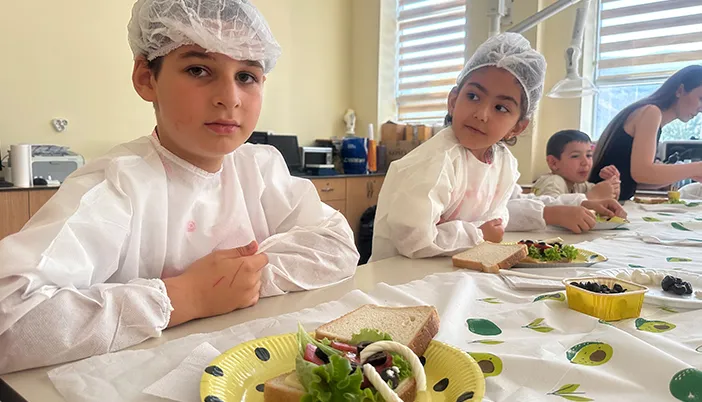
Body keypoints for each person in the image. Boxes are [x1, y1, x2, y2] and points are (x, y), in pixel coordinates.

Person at [0, 0, 359, 374]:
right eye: (198, 69)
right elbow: (10, 316)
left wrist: (243, 281)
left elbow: (337, 244)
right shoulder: (117, 184)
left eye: (246, 76)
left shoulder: (260, 167)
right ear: (146, 78)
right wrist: (184, 297)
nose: (229, 97)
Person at [370, 33, 625, 262]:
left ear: (518, 127)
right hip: (399, 278)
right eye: (473, 96)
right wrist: (478, 235)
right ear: (453, 101)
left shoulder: (502, 161)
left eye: (500, 108)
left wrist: (580, 203)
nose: (481, 114)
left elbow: (505, 211)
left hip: (453, 270)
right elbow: (413, 239)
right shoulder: (435, 162)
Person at [589, 65, 702, 201]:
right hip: (598, 203)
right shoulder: (651, 112)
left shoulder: (650, 114)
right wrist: (696, 168)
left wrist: (685, 173)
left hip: (607, 202)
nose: (701, 109)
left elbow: (636, 179)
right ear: (680, 90)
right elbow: (642, 173)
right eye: (701, 98)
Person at [533, 129, 620, 199]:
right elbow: (550, 209)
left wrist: (612, 186)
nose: (585, 162)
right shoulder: (553, 182)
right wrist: (590, 197)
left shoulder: (579, 184)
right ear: (554, 163)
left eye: (589, 155)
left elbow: (601, 199)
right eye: (575, 156)